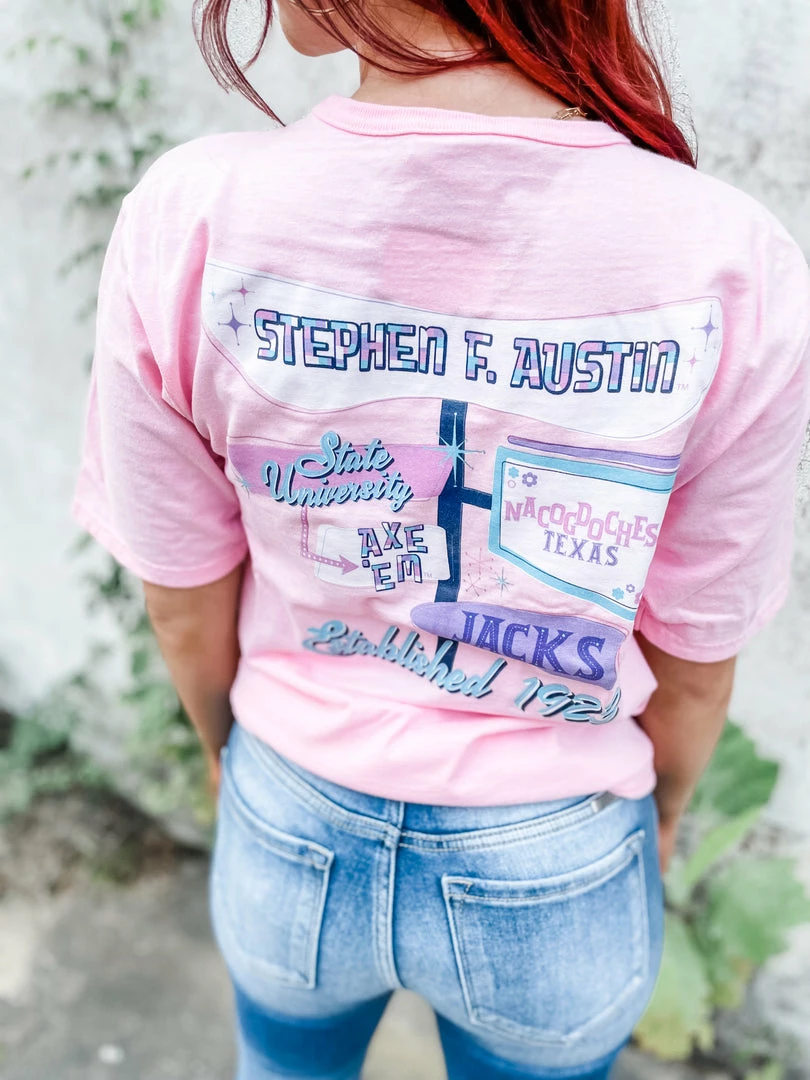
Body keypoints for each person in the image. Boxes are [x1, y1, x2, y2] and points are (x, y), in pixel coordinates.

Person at [71, 0, 810, 1075]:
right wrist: (656, 820)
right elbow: (696, 655)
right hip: (556, 846)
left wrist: (233, 756)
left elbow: (181, 600)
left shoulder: (190, 216)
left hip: (291, 806)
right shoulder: (731, 256)